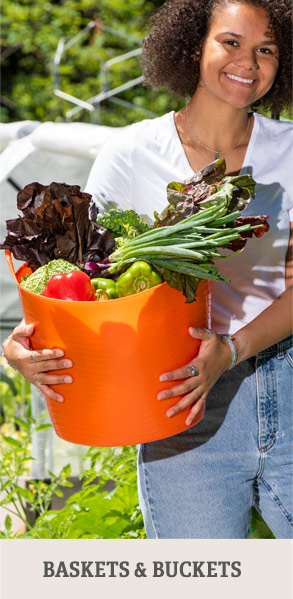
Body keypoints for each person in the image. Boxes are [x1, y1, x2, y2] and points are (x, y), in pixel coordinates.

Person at [2, 0, 292, 538]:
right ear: (192, 44)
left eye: (266, 50)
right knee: (196, 582)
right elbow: (84, 283)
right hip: (178, 392)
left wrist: (231, 349)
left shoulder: (291, 151)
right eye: (231, 43)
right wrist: (28, 341)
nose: (248, 63)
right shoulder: (131, 152)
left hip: (285, 373)